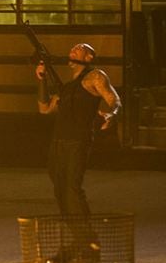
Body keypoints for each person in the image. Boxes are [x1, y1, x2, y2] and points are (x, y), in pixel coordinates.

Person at [35, 42, 121, 215]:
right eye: (72, 47)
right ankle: (76, 234)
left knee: (72, 189)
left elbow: (115, 100)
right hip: (58, 141)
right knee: (60, 189)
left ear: (89, 57)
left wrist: (113, 114)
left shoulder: (95, 76)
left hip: (78, 140)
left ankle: (86, 237)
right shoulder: (66, 87)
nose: (74, 48)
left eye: (81, 47)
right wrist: (41, 80)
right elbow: (44, 108)